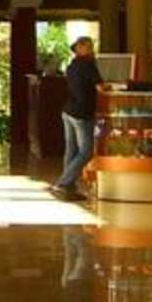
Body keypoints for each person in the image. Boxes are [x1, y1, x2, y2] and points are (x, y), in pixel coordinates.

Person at [51, 35, 101, 201]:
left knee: (71, 150)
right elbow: (100, 86)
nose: (90, 49)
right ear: (79, 48)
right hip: (82, 113)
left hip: (68, 111)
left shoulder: (72, 65)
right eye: (87, 46)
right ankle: (63, 183)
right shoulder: (88, 64)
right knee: (86, 151)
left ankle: (68, 189)